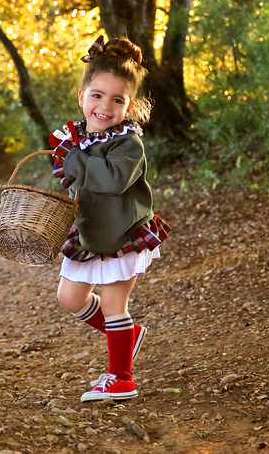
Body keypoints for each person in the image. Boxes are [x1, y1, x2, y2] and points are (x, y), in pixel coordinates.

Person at [49, 35, 171, 402]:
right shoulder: (78, 138)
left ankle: (121, 378)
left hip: (123, 233)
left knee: (115, 306)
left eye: (117, 99)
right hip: (90, 233)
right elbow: (73, 180)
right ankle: (126, 336)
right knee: (70, 297)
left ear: (129, 105)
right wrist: (70, 158)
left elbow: (111, 179)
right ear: (83, 94)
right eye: (97, 95)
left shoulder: (128, 143)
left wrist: (74, 160)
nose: (105, 106)